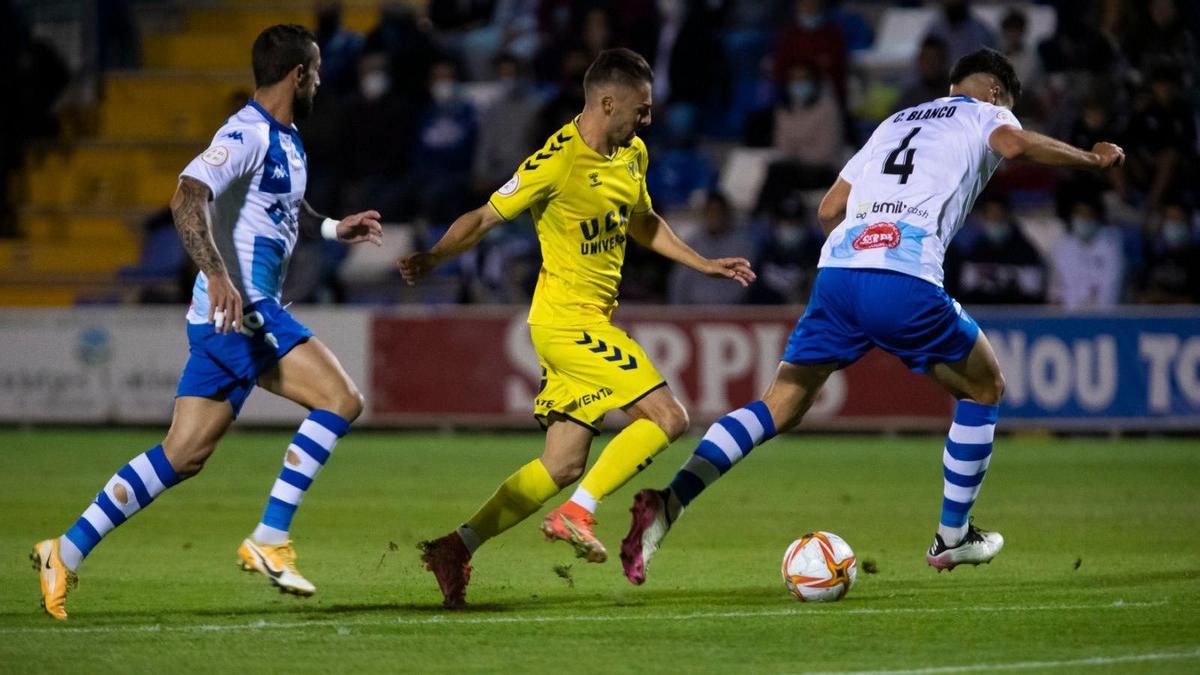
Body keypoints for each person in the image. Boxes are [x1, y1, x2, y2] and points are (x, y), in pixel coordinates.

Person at [621, 48, 1125, 585]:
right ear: (997, 91)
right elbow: (1015, 144)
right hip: (903, 275)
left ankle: (672, 502)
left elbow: (829, 209)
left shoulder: (895, 121)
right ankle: (953, 536)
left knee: (779, 406)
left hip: (838, 273)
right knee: (985, 387)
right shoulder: (987, 113)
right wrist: (1090, 159)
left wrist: (859, 259)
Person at [31, 24, 384, 620]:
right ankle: (270, 537)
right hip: (241, 312)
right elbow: (186, 194)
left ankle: (62, 550)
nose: (320, 79)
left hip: (233, 315)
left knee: (182, 454)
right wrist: (217, 273)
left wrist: (330, 228)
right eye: (316, 69)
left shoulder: (289, 139)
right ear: (298, 74)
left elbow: (286, 205)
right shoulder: (243, 132)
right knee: (341, 399)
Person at [399, 48, 754, 608]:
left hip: (585, 320)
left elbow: (644, 223)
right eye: (641, 109)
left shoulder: (632, 152)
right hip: (565, 322)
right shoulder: (556, 161)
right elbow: (485, 217)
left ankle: (455, 547)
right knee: (668, 416)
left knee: (562, 463)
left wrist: (704, 263)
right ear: (607, 102)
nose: (648, 120)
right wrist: (433, 258)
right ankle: (577, 513)